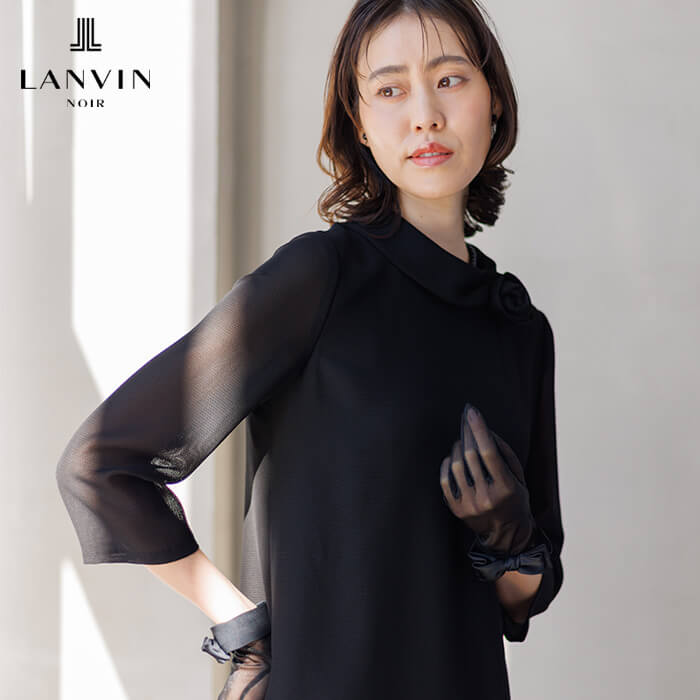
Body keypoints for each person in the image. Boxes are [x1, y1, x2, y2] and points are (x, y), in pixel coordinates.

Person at [55, 1, 565, 698]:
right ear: (360, 121)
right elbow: (100, 463)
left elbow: (523, 599)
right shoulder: (320, 278)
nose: (425, 116)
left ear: (494, 99)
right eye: (391, 89)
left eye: (449, 80)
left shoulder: (518, 328)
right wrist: (245, 627)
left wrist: (509, 538)